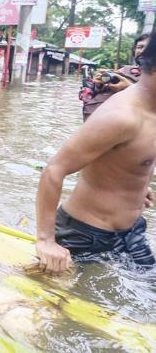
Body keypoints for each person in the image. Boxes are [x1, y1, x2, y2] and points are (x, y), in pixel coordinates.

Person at [35, 30, 156, 274]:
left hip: (132, 231)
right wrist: (46, 240)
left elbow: (129, 159)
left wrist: (137, 186)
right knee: (69, 310)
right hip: (84, 235)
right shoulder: (122, 116)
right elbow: (55, 169)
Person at [80, 34, 150, 121]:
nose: (143, 51)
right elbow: (98, 94)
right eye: (140, 47)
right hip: (99, 126)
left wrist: (129, 88)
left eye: (149, 48)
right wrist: (98, 85)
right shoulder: (124, 71)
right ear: (134, 50)